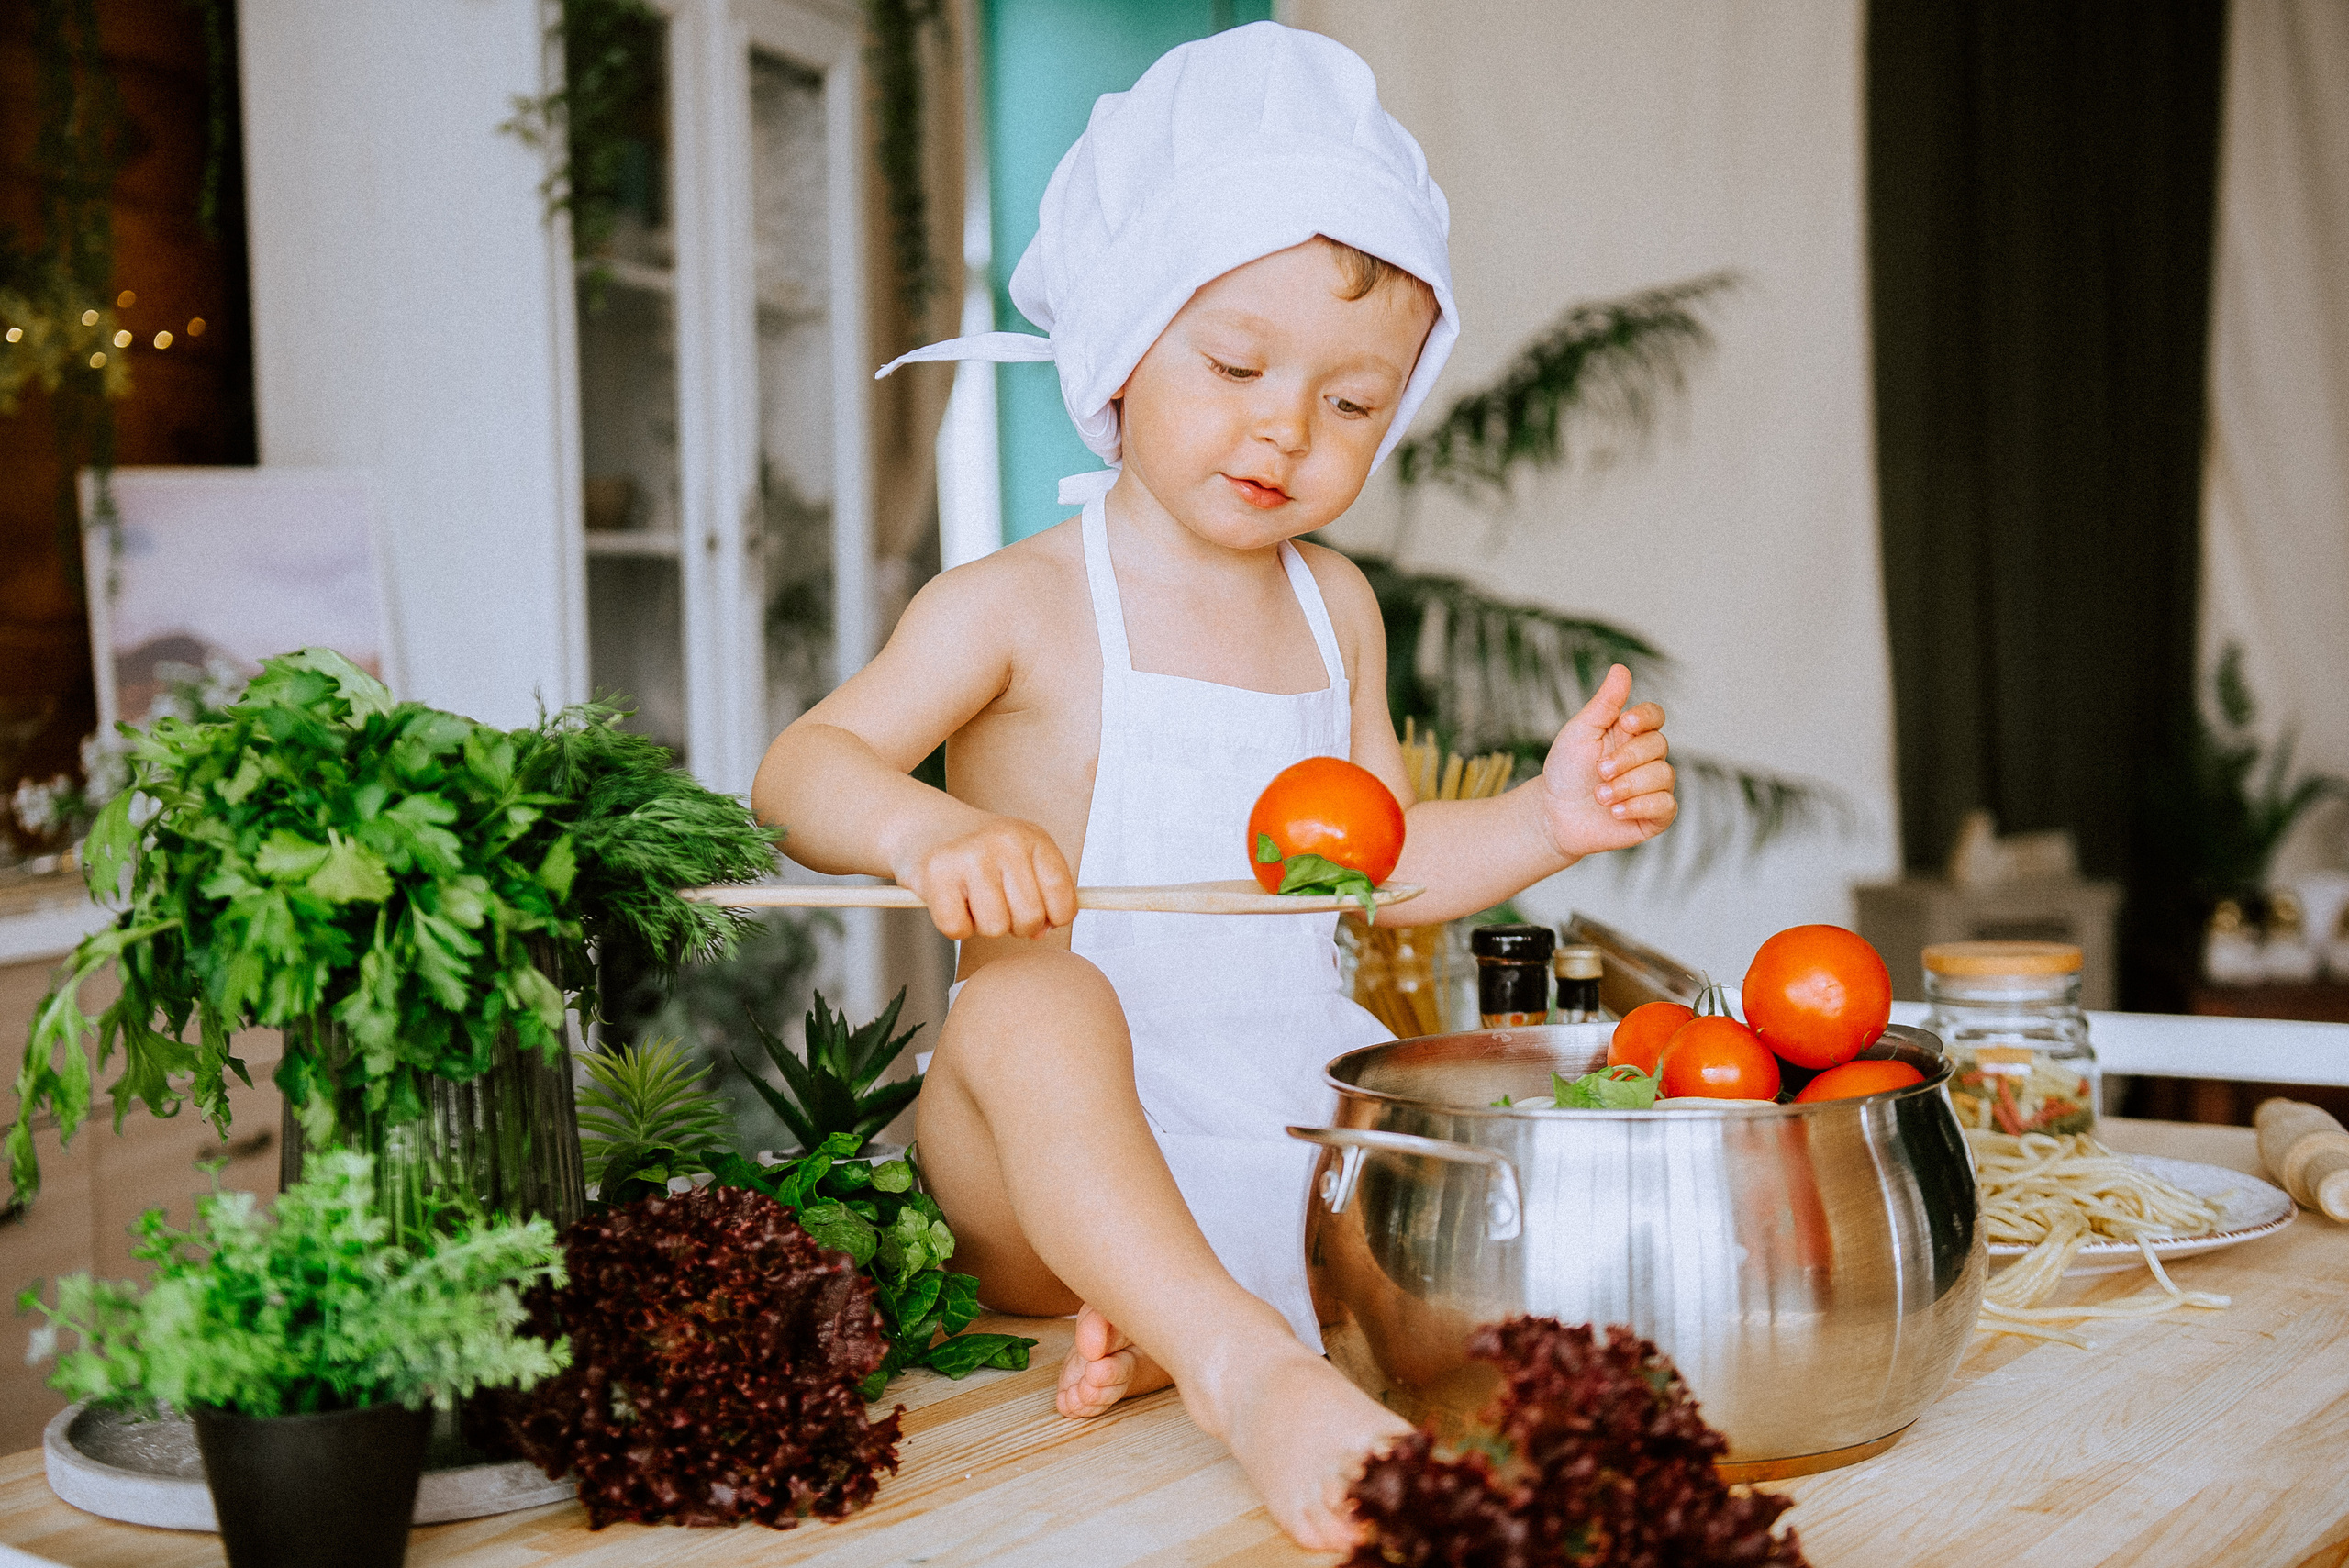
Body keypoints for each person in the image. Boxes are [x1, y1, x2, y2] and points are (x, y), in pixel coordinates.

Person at [751, 22, 1676, 1551]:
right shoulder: (1018, 602)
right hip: (1033, 1164)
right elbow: (803, 766)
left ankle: (1173, 1312)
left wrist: (1547, 819)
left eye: (1353, 404)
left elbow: (1377, 860)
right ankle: (1241, 1371)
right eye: (1238, 364)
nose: (1284, 429)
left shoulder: (1338, 609)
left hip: (1275, 1140)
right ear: (1123, 333)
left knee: (1476, 1127)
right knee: (1038, 1001)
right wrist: (934, 826)